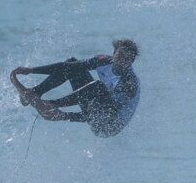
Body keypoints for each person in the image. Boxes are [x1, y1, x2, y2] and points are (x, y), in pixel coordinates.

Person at [9, 39, 140, 137]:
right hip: (98, 109)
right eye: (120, 55)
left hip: (108, 126)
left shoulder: (129, 84)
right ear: (114, 53)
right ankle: (34, 92)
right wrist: (31, 70)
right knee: (72, 63)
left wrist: (65, 116)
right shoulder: (103, 61)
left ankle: (50, 104)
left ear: (131, 61)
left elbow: (111, 114)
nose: (122, 60)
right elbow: (67, 68)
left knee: (97, 87)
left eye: (127, 59)